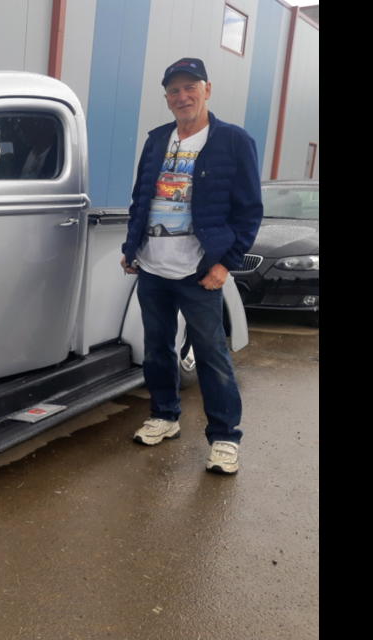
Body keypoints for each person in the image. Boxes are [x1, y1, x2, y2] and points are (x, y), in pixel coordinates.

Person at [120, 58, 263, 475]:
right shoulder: (157, 139)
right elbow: (140, 199)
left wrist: (226, 264)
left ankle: (224, 438)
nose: (182, 96)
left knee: (211, 354)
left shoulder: (233, 141)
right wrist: (132, 247)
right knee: (157, 349)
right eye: (174, 91)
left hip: (199, 270)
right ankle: (164, 417)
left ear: (207, 89)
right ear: (166, 98)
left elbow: (249, 211)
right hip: (151, 266)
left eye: (190, 87)